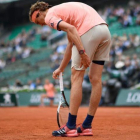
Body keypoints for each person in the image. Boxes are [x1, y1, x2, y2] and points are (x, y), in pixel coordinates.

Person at [29, 1, 111, 137]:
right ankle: (86, 125)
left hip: (89, 32)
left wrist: (82, 52)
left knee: (76, 77)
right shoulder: (64, 12)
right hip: (104, 32)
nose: (42, 24)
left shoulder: (50, 15)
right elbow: (70, 44)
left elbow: (72, 29)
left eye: (38, 21)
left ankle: (71, 126)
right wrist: (61, 68)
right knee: (96, 79)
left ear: (39, 11)